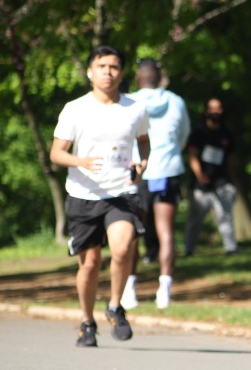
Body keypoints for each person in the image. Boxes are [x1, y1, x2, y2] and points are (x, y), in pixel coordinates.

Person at [50, 45, 150, 346]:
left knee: (122, 248)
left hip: (121, 192)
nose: (108, 72)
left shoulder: (135, 108)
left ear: (121, 73)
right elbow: (57, 153)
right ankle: (87, 322)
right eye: (102, 66)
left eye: (114, 67)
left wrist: (142, 164)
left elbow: (144, 141)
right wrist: (80, 161)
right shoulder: (75, 109)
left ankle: (115, 306)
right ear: (90, 72)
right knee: (90, 263)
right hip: (84, 193)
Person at [124, 58, 190, 309]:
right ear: (159, 77)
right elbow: (183, 135)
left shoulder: (128, 102)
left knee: (132, 233)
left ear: (138, 77)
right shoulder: (176, 101)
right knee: (166, 232)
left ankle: (129, 288)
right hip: (167, 171)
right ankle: (165, 289)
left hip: (138, 172)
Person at [185, 97, 239, 255]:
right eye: (212, 108)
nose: (216, 111)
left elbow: (230, 159)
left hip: (221, 182)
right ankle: (189, 249)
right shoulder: (199, 132)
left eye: (219, 108)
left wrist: (231, 179)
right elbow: (192, 156)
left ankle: (231, 248)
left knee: (225, 216)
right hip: (201, 184)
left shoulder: (227, 133)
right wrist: (200, 175)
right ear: (206, 111)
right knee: (195, 220)